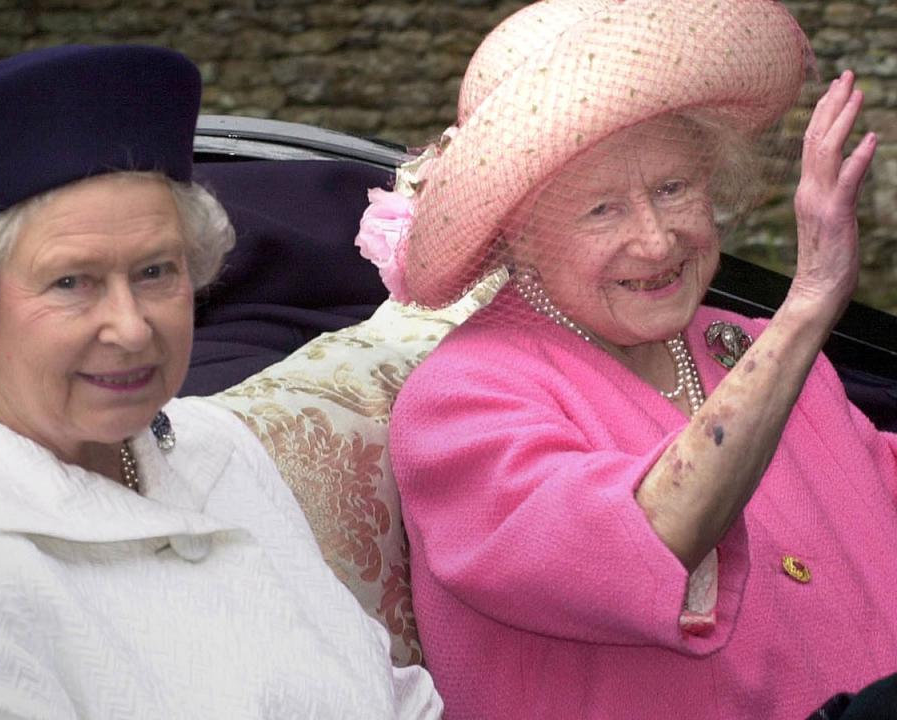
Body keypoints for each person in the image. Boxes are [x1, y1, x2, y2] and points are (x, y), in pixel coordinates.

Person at [354, 0, 896, 718]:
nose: (655, 240)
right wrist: (810, 303)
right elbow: (653, 535)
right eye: (601, 209)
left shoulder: (742, 343)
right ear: (518, 235)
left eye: (672, 189)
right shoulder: (464, 397)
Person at [0, 45, 441, 718]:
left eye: (155, 272)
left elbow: (391, 696)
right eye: (71, 282)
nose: (132, 327)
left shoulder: (218, 446)